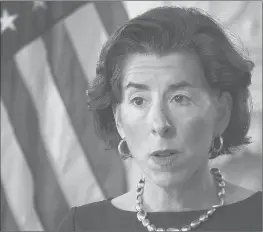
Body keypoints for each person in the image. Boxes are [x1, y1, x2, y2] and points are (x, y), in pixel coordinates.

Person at [56, 6, 262, 232]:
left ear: (222, 112)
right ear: (118, 120)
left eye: (180, 98)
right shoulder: (82, 226)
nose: (159, 124)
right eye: (138, 100)